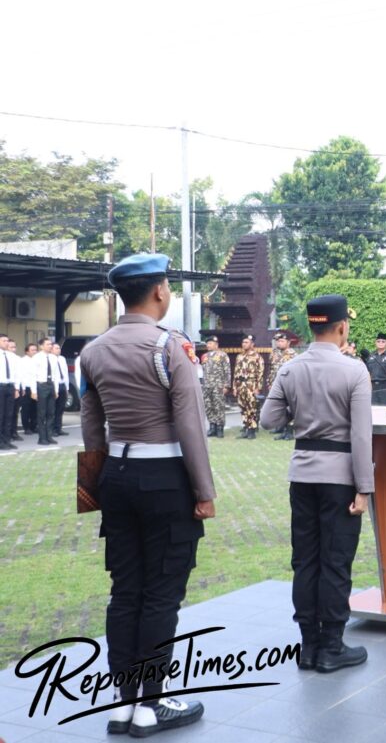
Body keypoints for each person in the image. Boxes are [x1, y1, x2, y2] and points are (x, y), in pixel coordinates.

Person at [79, 253, 215, 735]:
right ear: (159, 291)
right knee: (161, 594)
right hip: (165, 479)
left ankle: (123, 702)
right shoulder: (170, 346)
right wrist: (204, 490)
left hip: (116, 476)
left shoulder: (93, 351)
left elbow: (91, 426)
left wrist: (94, 487)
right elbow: (190, 426)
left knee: (125, 591)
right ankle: (152, 705)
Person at [260, 294, 372, 674]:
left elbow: (269, 420)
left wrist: (301, 411)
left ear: (311, 326)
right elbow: (361, 436)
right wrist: (364, 488)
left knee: (305, 560)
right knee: (335, 561)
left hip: (303, 475)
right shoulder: (354, 371)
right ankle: (332, 646)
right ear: (342, 327)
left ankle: (308, 646)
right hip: (340, 478)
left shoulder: (290, 369)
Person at [31, 337, 63, 446]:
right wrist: (33, 391)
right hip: (41, 385)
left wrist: (56, 390)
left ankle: (49, 436)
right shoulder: (36, 358)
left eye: (51, 344)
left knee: (51, 413)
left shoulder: (53, 358)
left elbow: (56, 375)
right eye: (48, 344)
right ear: (41, 346)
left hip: (51, 385)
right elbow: (33, 375)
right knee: (42, 413)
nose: (50, 346)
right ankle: (42, 438)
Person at [232, 334, 264, 439]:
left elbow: (260, 373)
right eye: (243, 342)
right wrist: (234, 387)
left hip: (251, 385)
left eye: (246, 342)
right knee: (243, 407)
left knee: (252, 407)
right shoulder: (239, 356)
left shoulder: (257, 357)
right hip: (240, 385)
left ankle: (252, 430)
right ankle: (246, 427)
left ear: (252, 344)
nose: (244, 344)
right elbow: (236, 372)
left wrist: (258, 388)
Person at [268, 333, 298, 440]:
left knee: (290, 408)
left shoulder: (293, 355)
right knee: (281, 408)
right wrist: (270, 383)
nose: (279, 343)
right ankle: (283, 430)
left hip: (289, 385)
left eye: (282, 341)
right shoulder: (276, 354)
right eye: (278, 341)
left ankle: (290, 431)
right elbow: (272, 370)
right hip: (277, 385)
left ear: (288, 343)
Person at [201, 336, 231, 438]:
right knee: (208, 406)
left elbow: (227, 371)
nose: (208, 345)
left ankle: (220, 428)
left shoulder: (222, 355)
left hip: (218, 385)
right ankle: (212, 426)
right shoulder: (205, 356)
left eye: (210, 343)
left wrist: (227, 385)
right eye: (207, 343)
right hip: (207, 386)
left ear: (216, 345)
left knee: (219, 407)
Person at [366, 332, 386, 407]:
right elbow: (368, 373)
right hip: (373, 387)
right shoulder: (371, 356)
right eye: (378, 341)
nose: (380, 343)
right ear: (375, 342)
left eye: (383, 341)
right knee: (374, 409)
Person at [0, 334, 17, 450]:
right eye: (4, 341)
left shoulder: (11, 356)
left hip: (10, 386)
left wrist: (16, 388)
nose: (6, 343)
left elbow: (16, 373)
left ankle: (7, 440)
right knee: (1, 415)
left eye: (7, 341)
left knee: (9, 415)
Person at [51, 342, 70, 437]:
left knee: (60, 408)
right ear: (51, 349)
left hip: (63, 385)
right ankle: (52, 429)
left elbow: (65, 373)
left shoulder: (62, 359)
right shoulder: (50, 359)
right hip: (54, 385)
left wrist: (67, 387)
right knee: (53, 409)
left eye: (59, 348)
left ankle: (58, 428)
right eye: (56, 348)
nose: (59, 350)